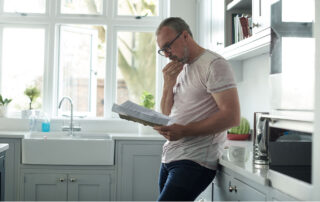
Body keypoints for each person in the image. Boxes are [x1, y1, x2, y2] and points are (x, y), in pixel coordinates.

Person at [153, 17, 241, 201]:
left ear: (185, 36)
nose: (167, 54)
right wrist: (168, 84)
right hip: (170, 156)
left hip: (195, 161)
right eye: (163, 50)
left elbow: (232, 117)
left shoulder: (213, 64)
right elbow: (167, 113)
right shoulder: (179, 68)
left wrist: (184, 131)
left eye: (168, 46)